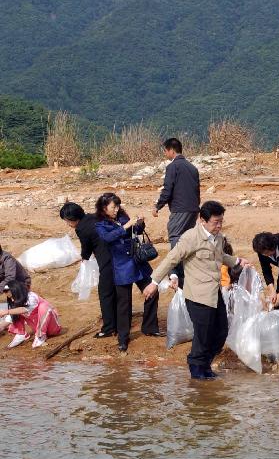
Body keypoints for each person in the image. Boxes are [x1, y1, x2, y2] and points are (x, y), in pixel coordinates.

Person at [143, 201, 250, 380]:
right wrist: (154, 282)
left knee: (221, 331)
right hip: (198, 295)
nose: (219, 226)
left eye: (221, 221)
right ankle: (197, 370)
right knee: (203, 335)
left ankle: (205, 364)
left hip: (214, 292)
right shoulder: (190, 237)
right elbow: (171, 259)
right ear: (202, 220)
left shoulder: (219, 237)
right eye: (216, 222)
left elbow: (220, 256)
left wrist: (237, 261)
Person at [95, 193, 159, 353]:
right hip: (122, 265)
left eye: (117, 206)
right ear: (104, 208)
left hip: (137, 261)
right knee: (124, 303)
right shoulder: (100, 224)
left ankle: (149, 327)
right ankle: (123, 338)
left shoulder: (123, 216)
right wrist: (125, 226)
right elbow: (108, 238)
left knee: (153, 290)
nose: (116, 209)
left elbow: (135, 230)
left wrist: (140, 223)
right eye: (113, 207)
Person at [60, 202, 115, 338]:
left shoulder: (81, 228)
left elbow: (86, 246)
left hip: (107, 260)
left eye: (67, 221)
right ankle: (119, 323)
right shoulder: (92, 217)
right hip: (117, 256)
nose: (68, 224)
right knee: (117, 292)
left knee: (105, 294)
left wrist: (84, 258)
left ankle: (109, 328)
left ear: (72, 218)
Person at [153, 138, 201, 288]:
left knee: (175, 236)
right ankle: (187, 269)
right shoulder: (193, 168)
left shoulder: (173, 167)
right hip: (193, 209)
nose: (165, 154)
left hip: (180, 209)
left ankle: (175, 273)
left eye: (166, 151)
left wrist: (157, 206)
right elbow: (197, 191)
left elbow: (167, 190)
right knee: (187, 238)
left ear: (171, 150)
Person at [2, 280, 61, 348]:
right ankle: (21, 334)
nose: (12, 300)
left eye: (13, 297)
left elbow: (25, 309)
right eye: (10, 298)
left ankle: (40, 336)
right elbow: (7, 321)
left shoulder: (31, 297)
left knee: (43, 306)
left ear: (17, 292)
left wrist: (7, 311)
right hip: (36, 328)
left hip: (52, 329)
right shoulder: (17, 302)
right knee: (15, 311)